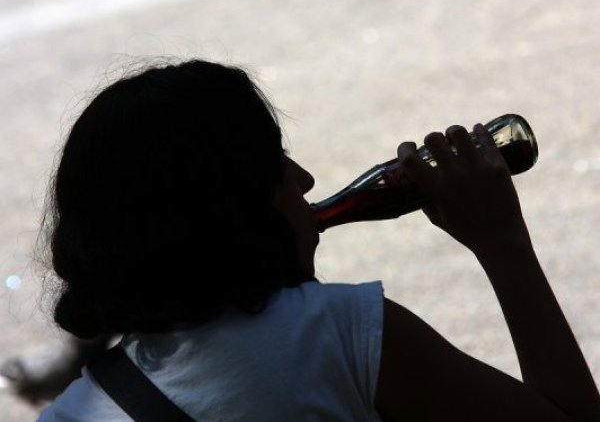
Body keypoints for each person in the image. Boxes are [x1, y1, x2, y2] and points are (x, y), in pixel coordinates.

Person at [31, 58, 599, 421]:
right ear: (231, 204)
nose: (304, 180)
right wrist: (503, 242)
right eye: (274, 161)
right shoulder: (336, 332)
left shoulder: (78, 408)